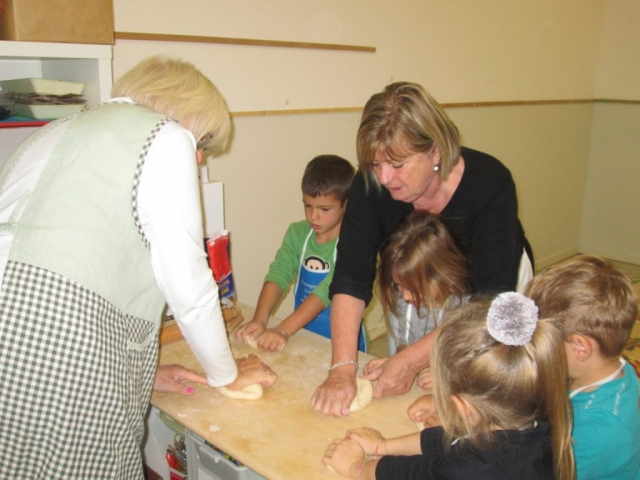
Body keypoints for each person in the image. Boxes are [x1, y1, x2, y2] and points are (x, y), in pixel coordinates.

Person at [0, 56, 277, 480]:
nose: (200, 158)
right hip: (51, 339)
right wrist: (227, 374)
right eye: (202, 141)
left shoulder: (59, 129)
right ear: (185, 113)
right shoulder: (165, 136)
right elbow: (188, 282)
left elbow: (80, 257)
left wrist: (140, 376)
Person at [312, 81, 533, 416]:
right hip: (415, 283)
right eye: (375, 164)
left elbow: (489, 305)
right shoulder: (371, 184)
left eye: (398, 165)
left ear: (436, 151)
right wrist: (342, 367)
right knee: (404, 384)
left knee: (477, 388)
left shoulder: (491, 184)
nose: (384, 178)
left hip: (488, 297)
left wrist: (415, 359)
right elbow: (351, 274)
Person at [323, 293, 575, 480]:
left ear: (462, 406)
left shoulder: (468, 468)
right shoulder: (539, 421)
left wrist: (356, 468)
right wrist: (383, 445)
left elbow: (415, 474)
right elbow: (453, 437)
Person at [234, 155, 366, 351]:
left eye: (324, 208)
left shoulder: (353, 243)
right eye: (307, 205)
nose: (314, 216)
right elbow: (279, 273)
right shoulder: (297, 233)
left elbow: (326, 291)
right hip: (304, 335)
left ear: (346, 204)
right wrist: (260, 320)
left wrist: (284, 330)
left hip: (345, 344)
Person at [525, 255, 640, 480]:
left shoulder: (596, 433)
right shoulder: (613, 368)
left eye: (538, 338)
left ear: (580, 347)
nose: (531, 346)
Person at [364, 210, 469, 390]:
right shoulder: (404, 300)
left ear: (441, 275)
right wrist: (393, 363)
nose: (405, 296)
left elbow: (477, 364)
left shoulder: (465, 305)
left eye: (413, 289)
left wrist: (446, 376)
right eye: (399, 287)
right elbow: (405, 346)